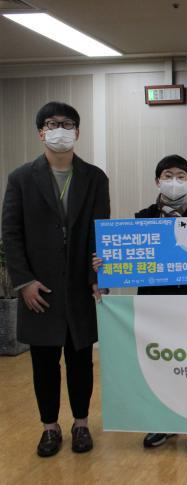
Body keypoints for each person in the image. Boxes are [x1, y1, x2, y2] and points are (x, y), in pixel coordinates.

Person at [2, 102, 110, 457]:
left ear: (77, 132)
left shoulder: (95, 178)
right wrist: (24, 282)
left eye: (66, 124)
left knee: (81, 361)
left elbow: (100, 231)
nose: (59, 130)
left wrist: (98, 275)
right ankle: (49, 427)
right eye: (51, 124)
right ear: (41, 132)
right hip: (40, 289)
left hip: (80, 286)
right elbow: (11, 234)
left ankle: (81, 424)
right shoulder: (21, 178)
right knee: (44, 363)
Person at [93, 154, 187, 452]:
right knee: (158, 364)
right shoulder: (141, 219)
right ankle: (162, 422)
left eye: (181, 176)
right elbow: (127, 257)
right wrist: (105, 265)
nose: (174, 181)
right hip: (153, 305)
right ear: (157, 181)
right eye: (168, 175)